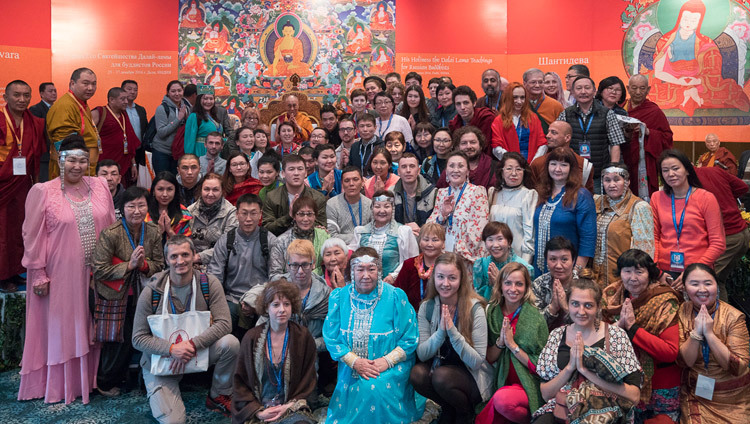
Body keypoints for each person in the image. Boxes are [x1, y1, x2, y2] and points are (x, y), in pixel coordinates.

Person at [19, 135, 115, 404]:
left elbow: (109, 227)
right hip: (59, 273)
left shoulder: (99, 185)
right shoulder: (43, 191)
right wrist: (38, 273)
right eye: (71, 159)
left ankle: (91, 380)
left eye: (82, 160)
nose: (77, 165)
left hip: (96, 272)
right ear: (60, 160)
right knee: (63, 325)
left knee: (90, 323)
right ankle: (62, 386)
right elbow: (31, 235)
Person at [132, 236, 239, 422]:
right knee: (174, 421)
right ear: (167, 260)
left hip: (196, 351)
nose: (180, 261)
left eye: (185, 255)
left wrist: (190, 346)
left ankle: (219, 394)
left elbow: (224, 323)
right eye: (174, 256)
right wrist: (172, 350)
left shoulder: (208, 283)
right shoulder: (152, 291)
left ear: (194, 256)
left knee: (231, 343)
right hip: (162, 362)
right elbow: (138, 338)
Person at [323, 247, 421, 424]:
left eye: (371, 269)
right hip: (351, 368)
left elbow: (409, 338)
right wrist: (356, 362)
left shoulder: (395, 297)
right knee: (363, 389)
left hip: (391, 368)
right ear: (352, 272)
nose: (366, 275)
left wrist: (386, 362)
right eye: (360, 269)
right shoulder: (339, 298)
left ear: (380, 271)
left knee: (373, 389)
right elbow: (332, 338)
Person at [533, 272, 643, 423]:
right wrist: (570, 367)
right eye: (575, 304)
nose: (581, 311)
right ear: (568, 304)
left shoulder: (616, 336)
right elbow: (546, 394)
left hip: (605, 410)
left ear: (598, 307)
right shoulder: (557, 335)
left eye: (588, 305)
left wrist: (585, 371)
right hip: (561, 408)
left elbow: (634, 396)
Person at [92, 186, 165, 396]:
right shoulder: (111, 233)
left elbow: (159, 264)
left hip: (144, 293)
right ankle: (106, 382)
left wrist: (143, 265)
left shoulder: (152, 231)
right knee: (118, 341)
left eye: (141, 205)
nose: (136, 210)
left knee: (144, 337)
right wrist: (130, 265)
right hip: (116, 295)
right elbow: (99, 269)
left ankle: (143, 379)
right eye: (131, 206)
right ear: (122, 209)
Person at [411, 252, 493, 423]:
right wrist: (441, 332)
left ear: (462, 279)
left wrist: (452, 331)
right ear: (434, 277)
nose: (445, 284)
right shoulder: (427, 306)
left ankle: (465, 413)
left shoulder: (475, 309)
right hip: (440, 371)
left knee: (441, 376)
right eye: (440, 277)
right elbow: (423, 354)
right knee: (417, 374)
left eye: (452, 278)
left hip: (471, 377)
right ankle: (449, 407)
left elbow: (477, 361)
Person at [601, 249, 681, 423]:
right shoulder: (611, 296)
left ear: (650, 274)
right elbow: (598, 342)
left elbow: (670, 352)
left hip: (660, 383)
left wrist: (633, 329)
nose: (633, 278)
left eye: (639, 272)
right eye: (627, 271)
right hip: (622, 380)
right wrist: (618, 327)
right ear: (620, 273)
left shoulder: (664, 300)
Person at [231, 280, 317, 424]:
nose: (282, 310)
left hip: (290, 409)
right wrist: (258, 412)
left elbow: (308, 380)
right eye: (276, 304)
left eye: (287, 304)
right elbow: (241, 383)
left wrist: (289, 407)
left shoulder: (303, 336)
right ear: (266, 307)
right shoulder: (252, 338)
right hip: (260, 409)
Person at [676, 263, 750, 423]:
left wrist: (709, 334)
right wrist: (696, 333)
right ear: (684, 288)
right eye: (694, 284)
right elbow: (685, 361)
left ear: (717, 285)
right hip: (697, 393)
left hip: (733, 396)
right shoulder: (683, 311)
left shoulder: (733, 317)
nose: (702, 289)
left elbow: (739, 367)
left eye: (708, 283)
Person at [477, 262, 549, 424]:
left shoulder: (535, 318)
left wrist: (513, 346)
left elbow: (542, 366)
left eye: (519, 284)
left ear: (526, 288)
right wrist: (501, 343)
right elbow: (489, 357)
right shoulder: (492, 312)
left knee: (503, 401)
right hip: (500, 381)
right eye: (508, 283)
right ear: (500, 286)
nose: (513, 289)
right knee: (500, 404)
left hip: (528, 384)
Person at [651, 0, 750, 116]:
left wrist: (697, 81)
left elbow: (714, 73)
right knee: (653, 92)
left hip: (701, 84)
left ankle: (689, 95)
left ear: (699, 22)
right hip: (673, 82)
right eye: (686, 18)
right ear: (679, 18)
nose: (689, 23)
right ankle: (687, 94)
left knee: (731, 89)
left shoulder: (706, 43)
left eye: (694, 20)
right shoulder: (665, 41)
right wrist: (678, 81)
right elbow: (658, 72)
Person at [651, 149, 724, 289]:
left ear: (688, 170)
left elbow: (718, 243)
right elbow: (653, 237)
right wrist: (657, 271)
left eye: (675, 168)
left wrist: (693, 272)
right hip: (664, 272)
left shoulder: (706, 198)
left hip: (699, 271)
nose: (670, 174)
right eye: (665, 170)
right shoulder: (656, 198)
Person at [208, 193, 276, 340]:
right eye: (244, 213)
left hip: (261, 298)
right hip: (231, 299)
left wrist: (256, 301)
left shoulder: (269, 240)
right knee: (223, 321)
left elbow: (275, 278)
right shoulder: (226, 240)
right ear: (237, 214)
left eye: (253, 213)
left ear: (260, 215)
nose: (248, 219)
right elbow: (215, 277)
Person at [0, 80, 46, 292]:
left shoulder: (34, 122)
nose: (22, 100)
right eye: (16, 95)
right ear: (5, 97)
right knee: (2, 231)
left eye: (26, 95)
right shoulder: (1, 119)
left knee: (20, 229)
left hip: (22, 186)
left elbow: (36, 154)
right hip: (3, 184)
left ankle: (15, 271)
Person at [558, 76, 627, 193]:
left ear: (594, 91)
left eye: (587, 88)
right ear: (573, 92)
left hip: (599, 173)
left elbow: (615, 143)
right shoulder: (565, 114)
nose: (583, 92)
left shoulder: (607, 114)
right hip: (574, 172)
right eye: (579, 88)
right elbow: (558, 141)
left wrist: (613, 169)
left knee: (598, 206)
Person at [533, 147, 596, 275]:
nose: (557, 169)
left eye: (563, 165)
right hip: (539, 267)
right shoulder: (541, 193)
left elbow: (588, 238)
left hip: (567, 269)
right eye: (553, 164)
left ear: (571, 169)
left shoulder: (581, 195)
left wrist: (576, 272)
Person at [593, 163, 655, 287]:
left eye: (617, 180)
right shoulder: (595, 202)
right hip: (594, 278)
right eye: (607, 180)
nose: (612, 185)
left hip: (623, 280)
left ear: (627, 182)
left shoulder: (638, 207)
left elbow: (643, 252)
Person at [695, 165, 750, 300]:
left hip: (727, 236)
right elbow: (743, 187)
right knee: (718, 281)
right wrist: (727, 198)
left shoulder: (689, 181)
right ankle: (724, 319)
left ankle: (715, 319)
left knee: (702, 279)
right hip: (741, 233)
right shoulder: (714, 170)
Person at [428, 150, 489, 263]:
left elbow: (479, 229)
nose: (456, 170)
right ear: (446, 171)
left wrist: (456, 249)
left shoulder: (477, 191)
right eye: (451, 166)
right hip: (443, 254)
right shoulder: (441, 193)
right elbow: (430, 226)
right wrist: (442, 216)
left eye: (461, 166)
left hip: (466, 257)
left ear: (467, 172)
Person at [350, 190, 419, 283]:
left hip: (394, 284)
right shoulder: (360, 232)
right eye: (377, 206)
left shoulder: (403, 232)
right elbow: (353, 260)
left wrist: (394, 276)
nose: (382, 211)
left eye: (386, 206)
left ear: (392, 209)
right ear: (372, 209)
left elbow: (412, 261)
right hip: (365, 284)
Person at [624, 74, 674, 198]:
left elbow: (667, 138)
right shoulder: (621, 108)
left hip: (644, 163)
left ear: (648, 89)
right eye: (634, 88)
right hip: (623, 158)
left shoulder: (654, 111)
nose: (638, 92)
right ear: (628, 88)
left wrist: (649, 132)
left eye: (642, 88)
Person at [47, 68, 99, 178]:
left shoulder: (81, 103)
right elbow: (66, 147)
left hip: (84, 169)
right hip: (73, 172)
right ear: (72, 83)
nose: (90, 88)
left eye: (94, 84)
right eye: (85, 83)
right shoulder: (65, 106)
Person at [488, 152, 537, 263]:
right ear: (501, 171)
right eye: (509, 169)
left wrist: (524, 265)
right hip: (493, 255)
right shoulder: (493, 192)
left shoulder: (528, 195)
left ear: (524, 172)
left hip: (517, 256)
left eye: (519, 169)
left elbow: (529, 236)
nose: (514, 173)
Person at [262, 154, 326, 236]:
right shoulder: (272, 197)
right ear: (283, 173)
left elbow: (321, 228)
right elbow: (267, 229)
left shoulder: (317, 197)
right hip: (279, 243)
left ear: (306, 173)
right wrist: (289, 216)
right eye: (291, 169)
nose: (296, 173)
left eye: (300, 169)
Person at [269, 196, 330, 280]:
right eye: (301, 214)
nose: (305, 219)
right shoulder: (281, 241)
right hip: (289, 288)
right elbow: (274, 276)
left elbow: (331, 266)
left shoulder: (324, 236)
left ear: (315, 216)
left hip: (319, 286)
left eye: (309, 214)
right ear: (294, 216)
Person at [473, 221, 535, 300]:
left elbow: (526, 300)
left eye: (500, 239)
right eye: (490, 240)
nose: (495, 245)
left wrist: (498, 283)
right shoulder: (480, 265)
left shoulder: (525, 268)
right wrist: (490, 286)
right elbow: (479, 298)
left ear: (509, 242)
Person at [92, 87, 140, 185]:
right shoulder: (100, 112)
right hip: (103, 162)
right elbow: (86, 136)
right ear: (111, 100)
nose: (126, 101)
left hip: (123, 162)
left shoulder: (124, 115)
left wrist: (133, 164)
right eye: (122, 99)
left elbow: (130, 142)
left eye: (127, 98)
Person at [187, 173, 238, 267]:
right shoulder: (190, 211)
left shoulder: (231, 213)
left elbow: (228, 245)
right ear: (201, 190)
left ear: (222, 191)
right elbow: (184, 241)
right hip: (191, 265)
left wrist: (199, 257)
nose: (210, 194)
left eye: (215, 190)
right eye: (206, 189)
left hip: (220, 265)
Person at [530, 120, 594, 193]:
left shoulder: (584, 165)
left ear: (567, 138)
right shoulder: (538, 163)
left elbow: (588, 195)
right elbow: (531, 194)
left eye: (554, 133)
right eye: (548, 132)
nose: (547, 135)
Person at [394, 222, 446, 310]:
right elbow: (398, 293)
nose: (430, 244)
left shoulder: (449, 265)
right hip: (413, 316)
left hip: (442, 315)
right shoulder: (409, 264)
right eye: (426, 240)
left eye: (435, 240)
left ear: (443, 243)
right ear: (419, 242)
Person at [532, 236, 580, 331]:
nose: (558, 265)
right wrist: (553, 308)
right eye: (553, 259)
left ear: (573, 261)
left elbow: (591, 323)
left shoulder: (584, 285)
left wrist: (566, 308)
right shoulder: (539, 284)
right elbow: (533, 325)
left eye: (564, 260)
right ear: (546, 260)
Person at [491, 82, 547, 163]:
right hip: (509, 165)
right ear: (508, 98)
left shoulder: (533, 118)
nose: (519, 101)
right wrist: (513, 162)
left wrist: (534, 163)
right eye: (515, 97)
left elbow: (542, 144)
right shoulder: (499, 120)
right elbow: (496, 147)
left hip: (532, 165)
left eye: (522, 97)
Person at [436, 125, 497, 190]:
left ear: (480, 145)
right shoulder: (451, 168)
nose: (468, 146)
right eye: (464, 143)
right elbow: (440, 192)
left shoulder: (493, 166)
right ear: (457, 147)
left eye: (473, 142)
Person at [391, 152, 437, 234]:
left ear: (418, 170)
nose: (408, 170)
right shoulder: (390, 193)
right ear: (398, 171)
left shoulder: (433, 193)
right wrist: (403, 229)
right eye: (404, 167)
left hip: (426, 237)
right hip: (399, 237)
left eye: (412, 166)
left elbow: (438, 223)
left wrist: (422, 229)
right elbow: (386, 223)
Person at [326, 166, 373, 244]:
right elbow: (331, 235)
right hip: (341, 248)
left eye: (355, 179)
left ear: (362, 181)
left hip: (366, 248)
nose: (351, 184)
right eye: (347, 180)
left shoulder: (370, 204)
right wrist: (359, 237)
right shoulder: (332, 204)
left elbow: (374, 233)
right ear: (342, 183)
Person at [152, 80, 190, 174]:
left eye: (179, 90)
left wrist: (187, 119)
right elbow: (161, 133)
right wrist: (178, 119)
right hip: (162, 151)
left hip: (178, 152)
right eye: (173, 91)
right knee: (163, 181)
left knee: (176, 183)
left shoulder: (187, 108)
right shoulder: (162, 108)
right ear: (168, 93)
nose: (177, 94)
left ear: (183, 91)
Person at [146, 171, 193, 242]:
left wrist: (170, 231)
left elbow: (188, 246)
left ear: (175, 191)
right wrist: (159, 232)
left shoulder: (183, 213)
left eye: (169, 189)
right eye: (160, 189)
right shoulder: (144, 213)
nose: (165, 194)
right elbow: (140, 245)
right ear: (153, 191)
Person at [449, 85, 496, 156]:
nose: (462, 107)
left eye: (466, 103)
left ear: (474, 103)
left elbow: (487, 147)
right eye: (458, 104)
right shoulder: (454, 124)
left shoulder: (486, 118)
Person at [184, 86, 223, 157]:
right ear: (199, 100)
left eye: (211, 99)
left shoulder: (215, 116)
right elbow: (189, 140)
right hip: (201, 152)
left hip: (215, 153)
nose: (208, 101)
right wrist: (189, 158)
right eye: (205, 98)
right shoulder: (194, 116)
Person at [524, 68, 564, 133]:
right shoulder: (519, 103)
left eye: (540, 82)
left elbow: (562, 131)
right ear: (524, 83)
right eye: (533, 82)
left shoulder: (555, 105)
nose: (537, 85)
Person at [31, 82, 56, 181]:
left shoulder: (58, 108)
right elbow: (37, 133)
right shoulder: (35, 109)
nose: (54, 93)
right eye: (50, 91)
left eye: (55, 91)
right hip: (43, 155)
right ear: (41, 94)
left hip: (57, 154)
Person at [121, 80, 148, 145]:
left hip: (139, 149)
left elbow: (145, 129)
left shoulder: (141, 110)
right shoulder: (118, 109)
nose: (133, 92)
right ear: (122, 91)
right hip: (122, 149)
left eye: (135, 90)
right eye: (129, 89)